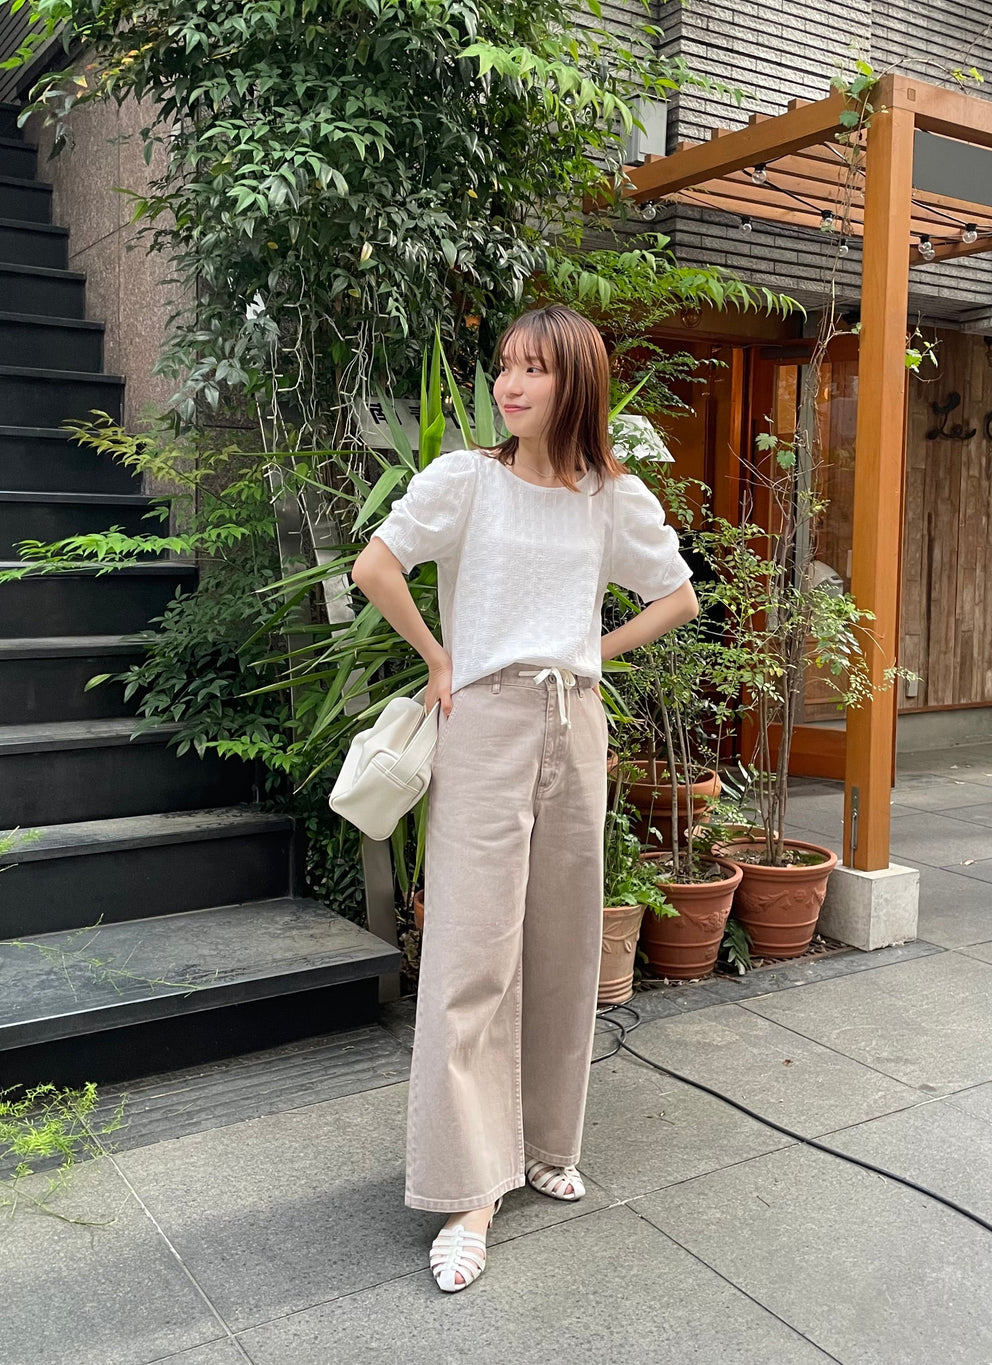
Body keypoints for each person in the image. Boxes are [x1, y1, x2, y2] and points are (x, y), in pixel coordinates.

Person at [349, 303, 699, 1293]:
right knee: (470, 950)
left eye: (533, 368)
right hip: (487, 721)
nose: (509, 383)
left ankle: (545, 1142)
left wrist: (592, 652)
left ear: (575, 381)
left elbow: (676, 595)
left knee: (563, 940)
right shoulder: (466, 480)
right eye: (504, 365)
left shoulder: (609, 497)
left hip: (574, 721)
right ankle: (469, 1191)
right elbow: (376, 564)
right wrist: (439, 659)